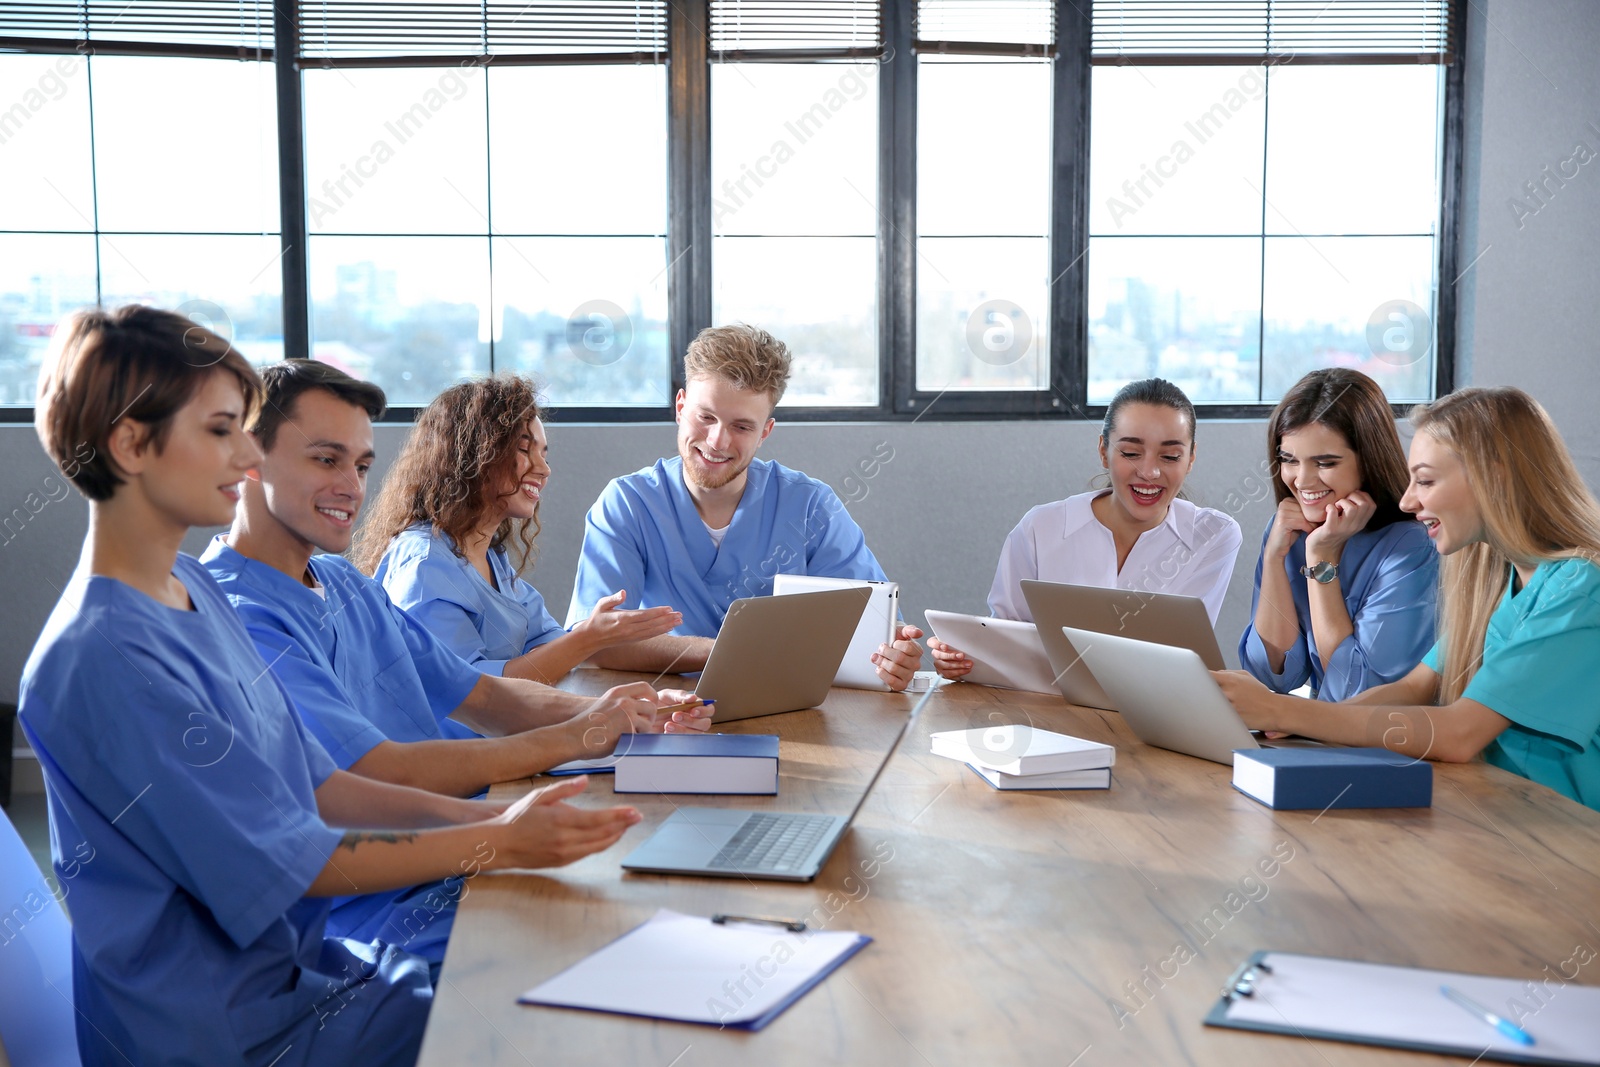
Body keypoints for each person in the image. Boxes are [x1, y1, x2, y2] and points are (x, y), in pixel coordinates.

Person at [19, 305, 644, 1065]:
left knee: (571, 963)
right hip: (229, 1034)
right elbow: (299, 856)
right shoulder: (102, 655)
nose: (246, 453)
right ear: (129, 442)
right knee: (548, 1020)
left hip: (307, 979)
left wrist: (506, 823)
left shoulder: (191, 589)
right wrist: (496, 840)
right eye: (221, 429)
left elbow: (321, 786)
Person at [199, 359, 704, 965]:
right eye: (325, 459)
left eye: (360, 466)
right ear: (246, 458)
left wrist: (613, 714)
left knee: (649, 912)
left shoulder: (340, 582)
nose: (353, 488)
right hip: (381, 901)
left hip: (459, 842)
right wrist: (573, 738)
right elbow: (381, 775)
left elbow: (483, 695)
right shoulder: (238, 615)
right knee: (602, 947)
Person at [1217, 386, 1600, 811]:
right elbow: (1413, 687)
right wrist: (1310, 724)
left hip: (1567, 836)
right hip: (1496, 809)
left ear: (1493, 477)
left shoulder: (1580, 588)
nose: (1407, 500)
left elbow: (1459, 733)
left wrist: (1284, 713)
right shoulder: (1497, 579)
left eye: (1426, 480)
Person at [565, 323, 923, 686]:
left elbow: (875, 625)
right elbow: (594, 643)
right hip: (664, 710)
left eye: (741, 427)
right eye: (706, 417)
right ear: (680, 407)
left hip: (787, 710)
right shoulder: (627, 503)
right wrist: (731, 650)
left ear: (765, 432)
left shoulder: (810, 506)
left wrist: (894, 656)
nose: (717, 441)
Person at [355, 374, 680, 683]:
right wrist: (588, 639)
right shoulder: (424, 563)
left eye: (543, 453)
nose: (544, 469)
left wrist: (640, 695)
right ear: (473, 454)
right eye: (524, 450)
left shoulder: (491, 557)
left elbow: (549, 645)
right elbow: (472, 692)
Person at [929, 378, 1242, 680]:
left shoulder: (1213, 535)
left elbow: (1181, 657)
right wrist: (967, 662)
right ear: (1103, 450)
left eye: (1170, 456)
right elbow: (1005, 642)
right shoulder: (1041, 528)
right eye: (1131, 453)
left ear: (1191, 458)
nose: (1149, 472)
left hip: (1156, 715)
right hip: (1047, 713)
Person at [1237, 368, 1437, 701]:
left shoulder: (1412, 547)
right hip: (1323, 740)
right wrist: (1274, 558)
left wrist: (1321, 558)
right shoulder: (1289, 532)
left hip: (1389, 746)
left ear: (1368, 459)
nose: (1302, 481)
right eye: (1289, 460)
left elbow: (1357, 695)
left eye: (1325, 463)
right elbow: (1268, 676)